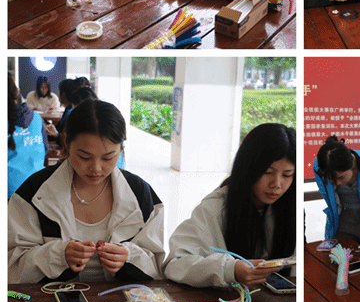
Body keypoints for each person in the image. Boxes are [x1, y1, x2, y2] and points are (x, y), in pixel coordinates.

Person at [8, 98, 164, 283]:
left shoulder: (141, 194)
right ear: (66, 142)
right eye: (84, 157)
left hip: (122, 300)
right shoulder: (34, 193)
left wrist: (129, 257)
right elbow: (12, 265)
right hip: (51, 298)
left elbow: (157, 265)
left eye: (108, 157)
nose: (96, 169)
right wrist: (57, 256)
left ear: (121, 149)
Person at [164, 123, 295, 288]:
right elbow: (175, 264)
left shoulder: (292, 208)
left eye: (287, 175)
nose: (277, 184)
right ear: (248, 167)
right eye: (268, 172)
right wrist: (229, 269)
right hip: (229, 300)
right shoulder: (214, 209)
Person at [313, 135, 360, 242]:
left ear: (353, 163)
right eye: (331, 179)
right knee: (339, 250)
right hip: (343, 220)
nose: (338, 183)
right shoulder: (319, 167)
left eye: (341, 177)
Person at [8, 74, 48, 199]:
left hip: (10, 189)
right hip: (38, 186)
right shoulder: (36, 117)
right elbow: (45, 149)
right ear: (18, 93)